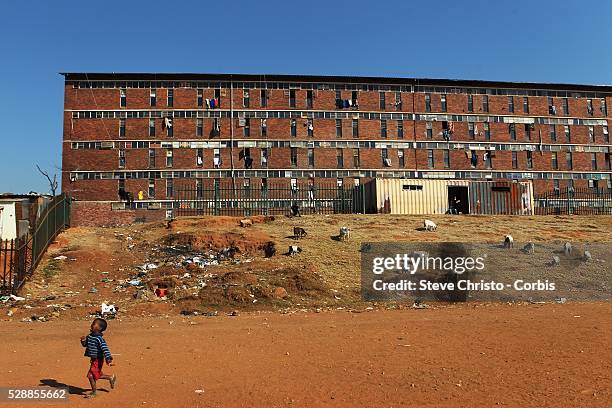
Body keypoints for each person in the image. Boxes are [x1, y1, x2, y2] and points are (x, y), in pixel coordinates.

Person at [81, 318, 116, 398]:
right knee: (97, 374)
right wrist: (83, 341)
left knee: (91, 376)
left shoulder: (99, 339)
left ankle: (94, 392)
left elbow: (105, 349)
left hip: (98, 359)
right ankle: (110, 377)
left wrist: (108, 358)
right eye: (93, 323)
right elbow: (86, 345)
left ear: (99, 328)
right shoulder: (89, 336)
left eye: (94, 324)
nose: (92, 324)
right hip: (93, 359)